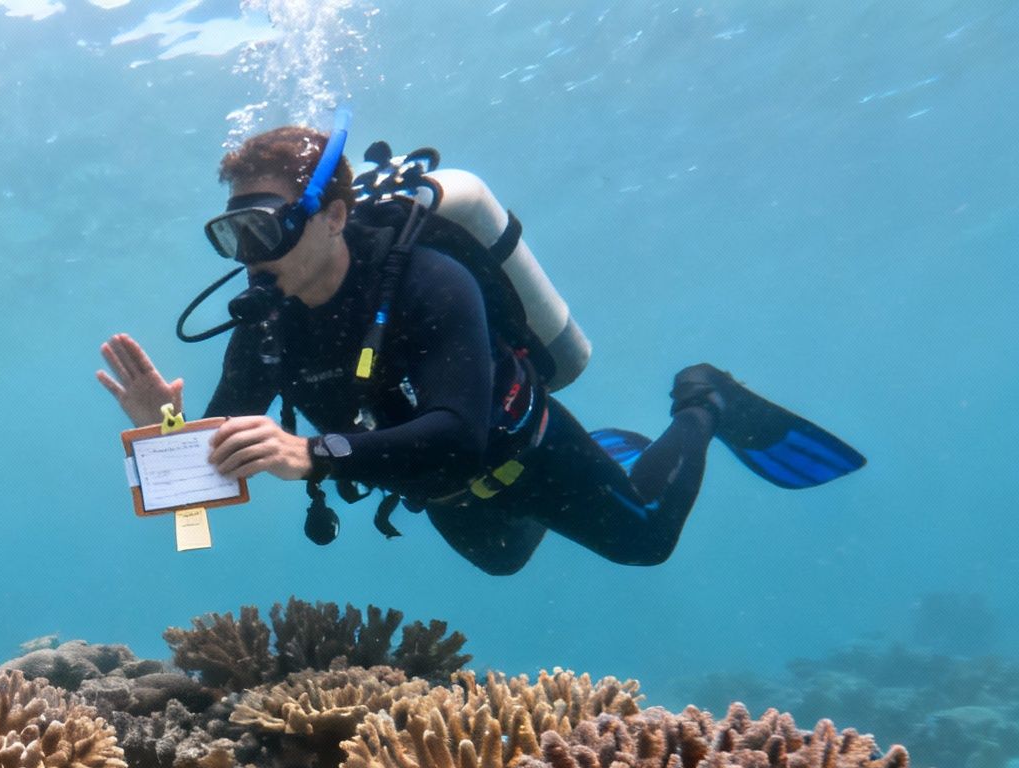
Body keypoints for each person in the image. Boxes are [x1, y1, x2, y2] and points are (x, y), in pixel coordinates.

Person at [97, 122, 862, 574]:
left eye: (264, 226)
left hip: (520, 450)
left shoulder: (429, 280)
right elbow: (195, 500)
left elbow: (459, 435)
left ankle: (704, 399)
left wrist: (314, 455)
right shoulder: (264, 322)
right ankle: (615, 448)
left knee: (647, 542)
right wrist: (165, 428)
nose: (246, 253)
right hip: (432, 486)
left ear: (332, 215)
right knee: (503, 562)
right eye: (232, 232)